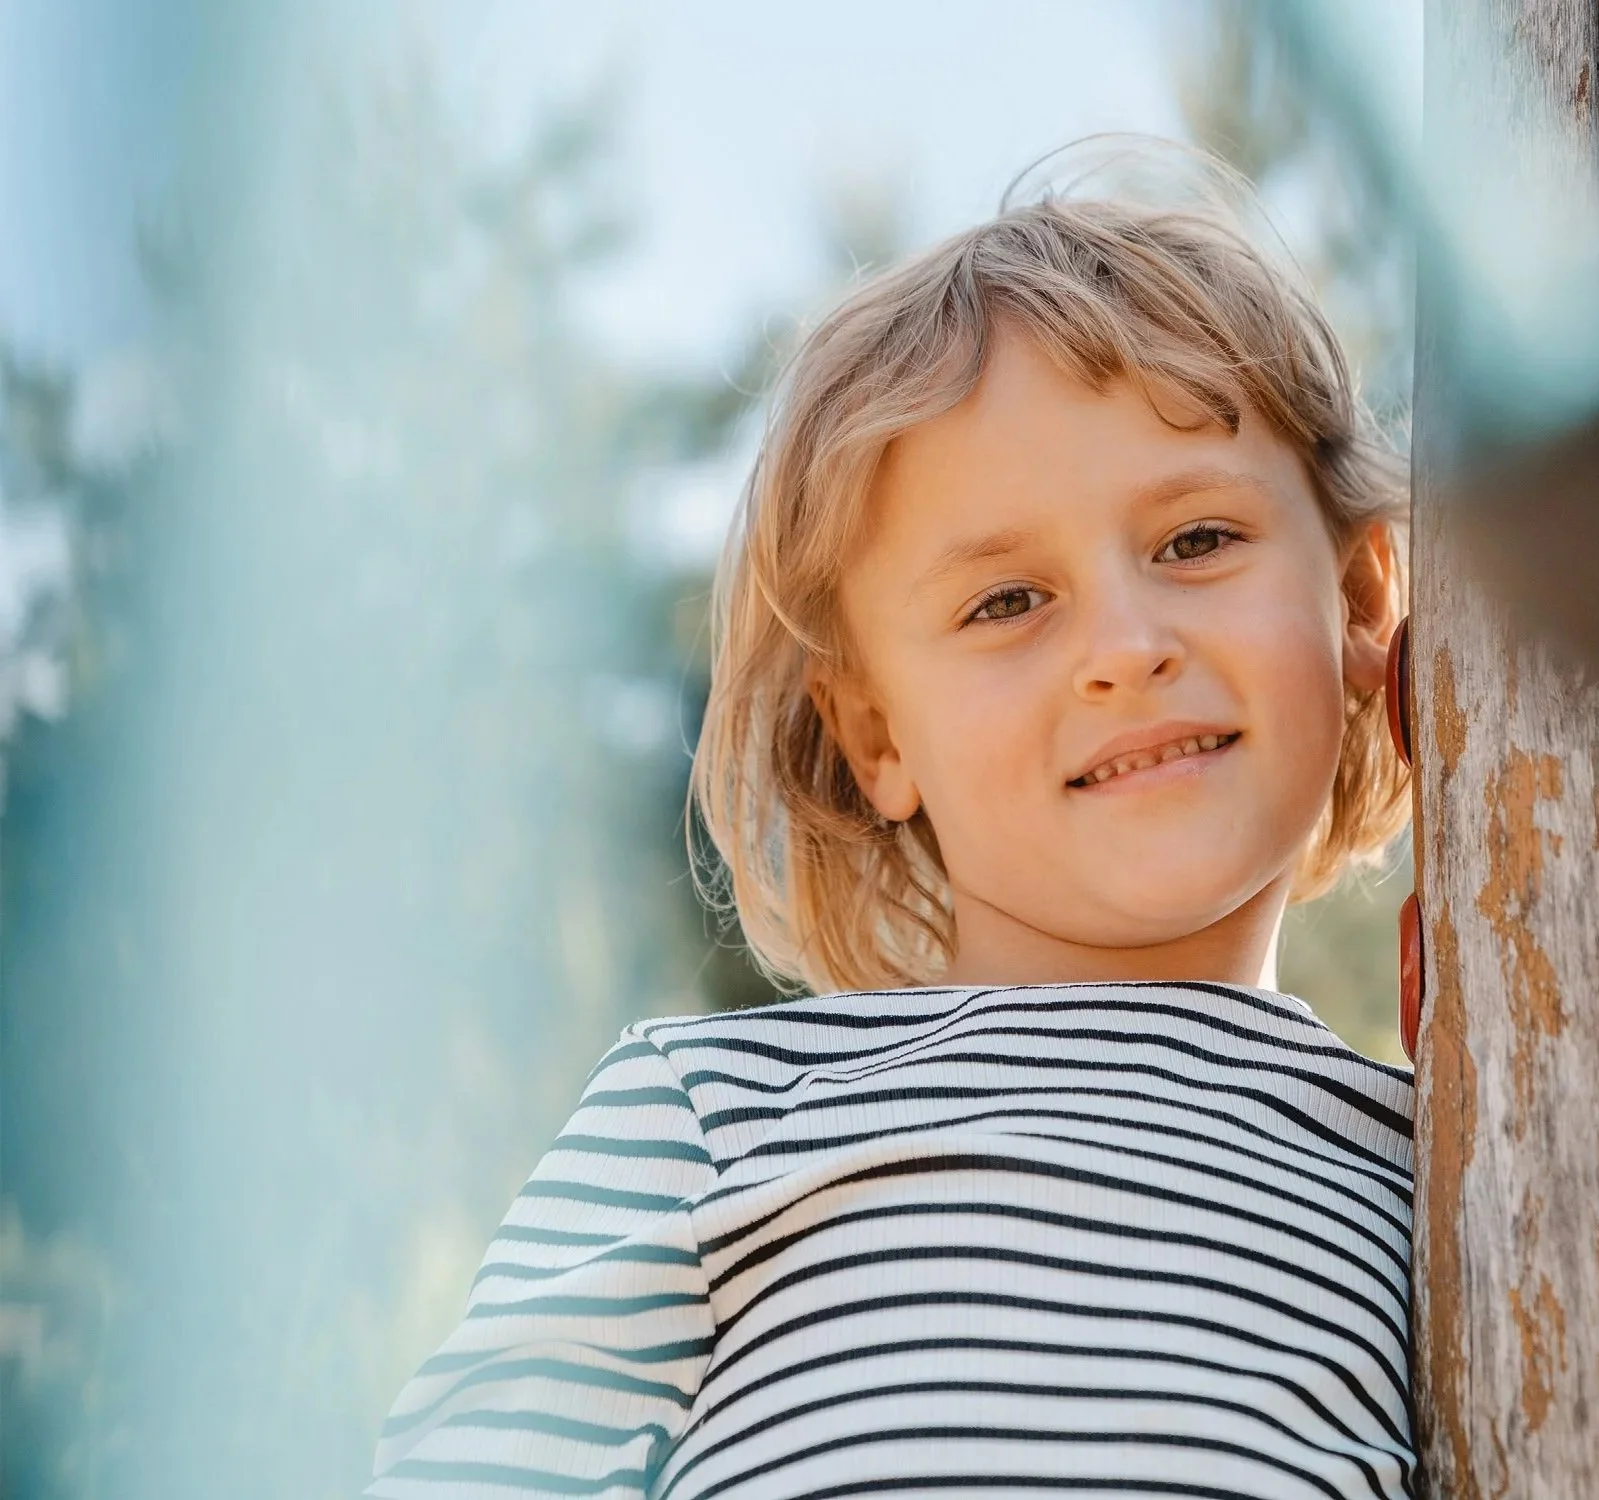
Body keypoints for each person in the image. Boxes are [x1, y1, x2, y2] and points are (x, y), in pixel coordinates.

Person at [368, 158, 1415, 1500]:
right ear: (874, 737)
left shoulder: (1435, 1171)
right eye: (1005, 603)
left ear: (1359, 598)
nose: (1125, 647)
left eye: (1198, 539)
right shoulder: (715, 1115)